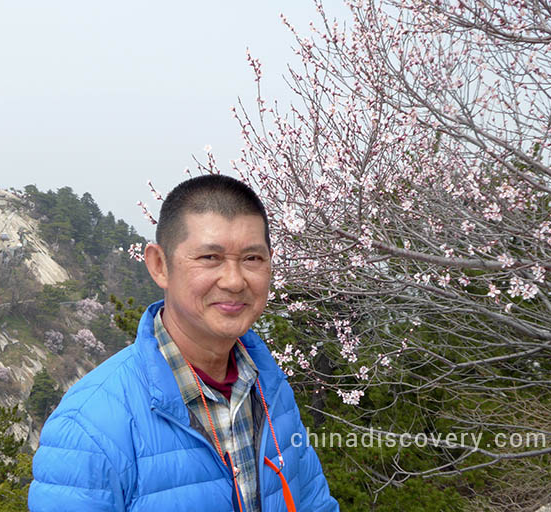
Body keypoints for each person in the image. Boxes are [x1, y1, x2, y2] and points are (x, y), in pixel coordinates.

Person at [29, 175, 338, 512]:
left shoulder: (270, 386)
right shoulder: (88, 426)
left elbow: (313, 502)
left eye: (252, 259)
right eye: (210, 258)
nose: (235, 281)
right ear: (160, 265)